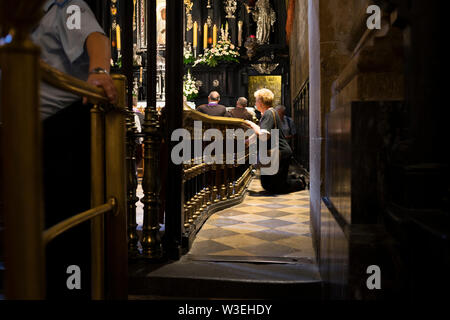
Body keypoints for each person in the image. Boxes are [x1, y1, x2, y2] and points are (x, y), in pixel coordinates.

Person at [32, 0, 117, 299]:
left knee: (67, 223)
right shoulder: (12, 20)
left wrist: (98, 70)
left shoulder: (63, 7)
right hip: (27, 131)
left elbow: (95, 37)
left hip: (62, 127)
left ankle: (71, 290)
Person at [245, 88, 305, 194]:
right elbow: (263, 133)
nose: (255, 102)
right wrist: (248, 141)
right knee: (267, 183)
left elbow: (264, 135)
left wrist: (251, 124)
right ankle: (292, 178)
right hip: (276, 153)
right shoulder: (268, 113)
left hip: (280, 152)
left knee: (276, 187)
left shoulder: (269, 113)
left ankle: (300, 182)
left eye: (256, 100)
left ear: (261, 101)